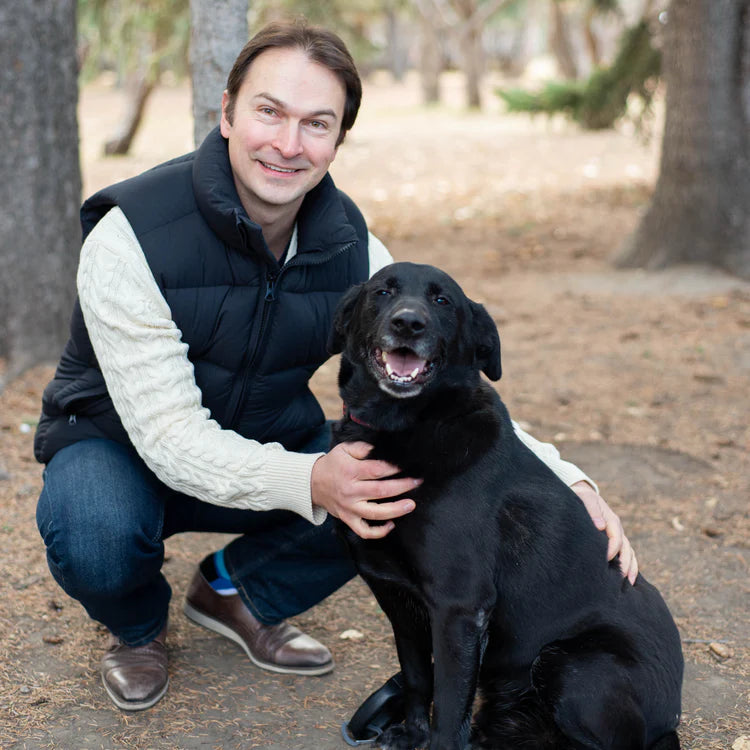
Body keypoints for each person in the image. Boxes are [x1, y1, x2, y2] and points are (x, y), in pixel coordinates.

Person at [34, 20, 637, 713]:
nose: (289, 144)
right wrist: (315, 479)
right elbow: (169, 438)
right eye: (270, 112)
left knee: (402, 483)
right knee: (93, 527)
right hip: (120, 449)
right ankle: (139, 629)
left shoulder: (352, 247)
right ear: (227, 113)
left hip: (268, 438)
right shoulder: (131, 235)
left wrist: (569, 481)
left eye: (316, 124)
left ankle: (239, 591)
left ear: (338, 139)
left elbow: (453, 398)